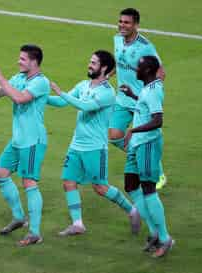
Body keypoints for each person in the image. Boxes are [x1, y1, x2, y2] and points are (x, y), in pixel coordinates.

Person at [47, 50, 140, 236]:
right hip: (76, 146)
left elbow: (85, 106)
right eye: (90, 61)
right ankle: (78, 224)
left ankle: (132, 211)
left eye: (94, 63)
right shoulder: (83, 85)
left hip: (95, 148)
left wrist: (60, 91)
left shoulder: (107, 93)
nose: (89, 65)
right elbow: (61, 102)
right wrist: (38, 97)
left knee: (100, 188)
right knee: (68, 182)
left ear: (104, 68)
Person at [0, 44, 50, 246]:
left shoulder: (41, 82)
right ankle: (19, 218)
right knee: (1, 175)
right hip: (18, 140)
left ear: (34, 62)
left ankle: (34, 233)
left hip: (33, 141)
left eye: (23, 59)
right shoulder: (19, 78)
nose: (19, 61)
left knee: (29, 182)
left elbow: (19, 98)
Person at [122, 55, 174, 257]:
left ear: (148, 70)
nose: (136, 68)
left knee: (149, 189)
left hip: (147, 144)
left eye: (140, 66)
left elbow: (157, 120)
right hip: (138, 145)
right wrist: (135, 95)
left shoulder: (153, 90)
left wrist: (133, 131)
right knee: (130, 185)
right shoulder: (147, 87)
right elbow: (146, 105)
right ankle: (154, 232)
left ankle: (164, 237)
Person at [109, 8, 167, 189]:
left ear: (136, 25)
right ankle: (144, 158)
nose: (122, 25)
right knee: (114, 136)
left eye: (126, 22)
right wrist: (105, 76)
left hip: (139, 102)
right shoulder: (117, 39)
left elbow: (161, 73)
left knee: (141, 138)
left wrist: (150, 95)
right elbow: (119, 64)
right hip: (122, 97)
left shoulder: (145, 46)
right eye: (120, 21)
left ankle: (156, 169)